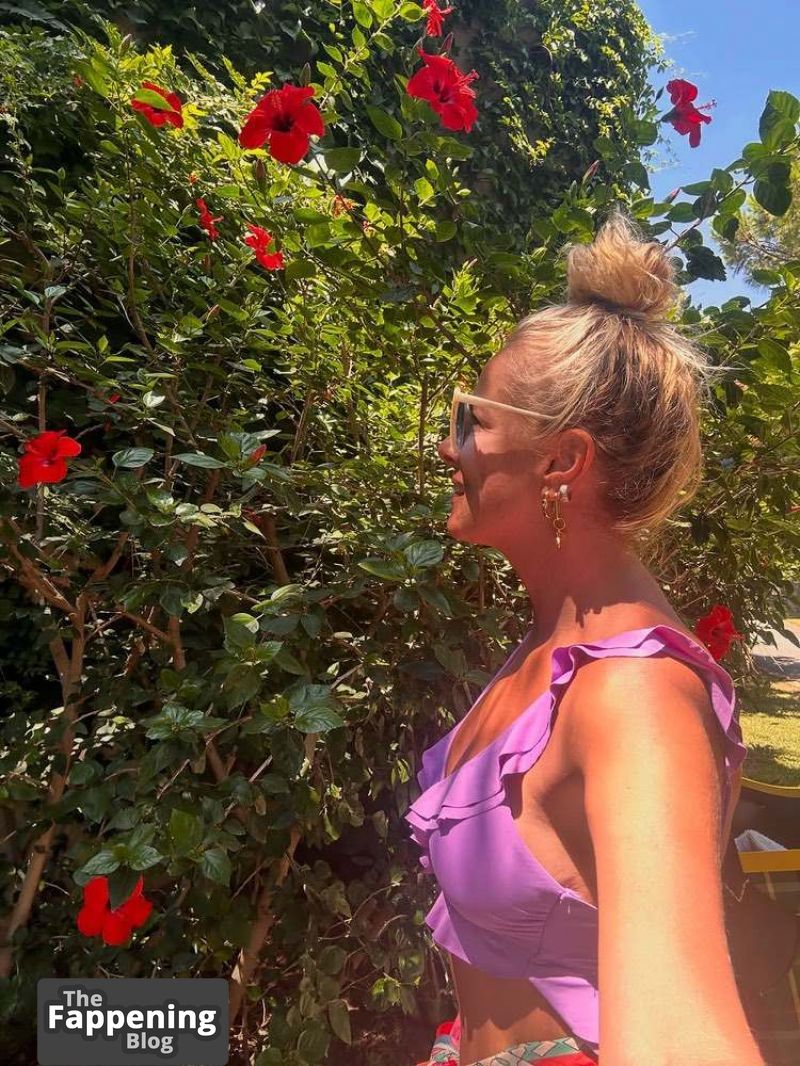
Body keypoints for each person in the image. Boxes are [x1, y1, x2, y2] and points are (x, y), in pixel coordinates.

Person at [405, 207, 765, 1066]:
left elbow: (682, 1040)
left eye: (470, 421)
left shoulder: (633, 694)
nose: (448, 448)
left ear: (563, 460)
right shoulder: (553, 649)